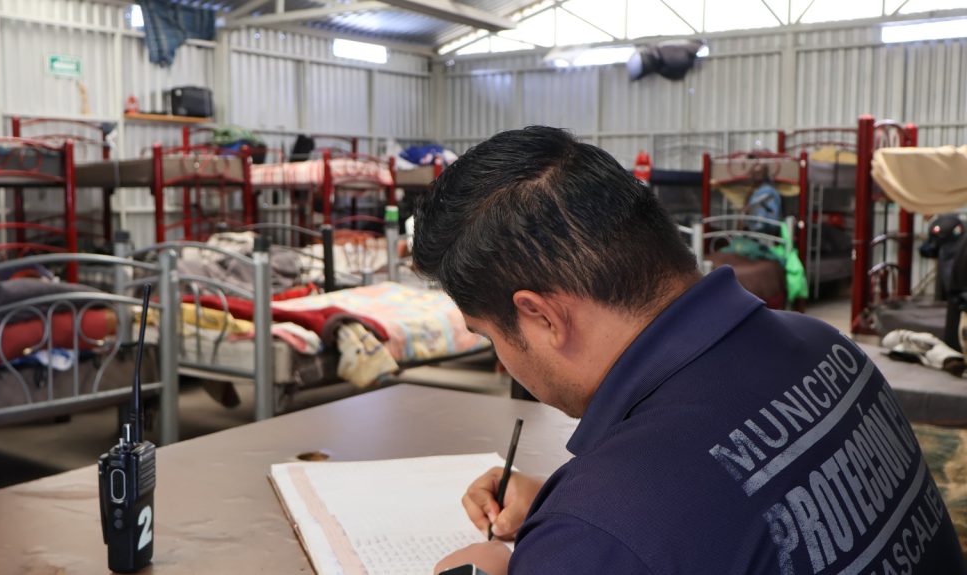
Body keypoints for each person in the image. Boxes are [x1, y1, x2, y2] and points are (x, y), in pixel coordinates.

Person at [412, 126, 964, 575]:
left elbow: (650, 522)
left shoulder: (604, 527)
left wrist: (513, 559)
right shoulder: (827, 346)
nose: (501, 357)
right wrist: (564, 513)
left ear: (541, 317)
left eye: (489, 336)